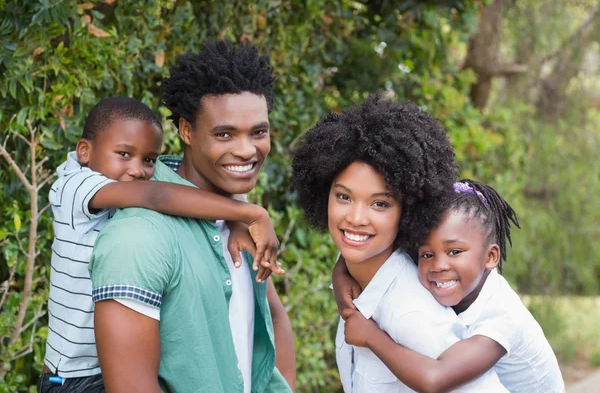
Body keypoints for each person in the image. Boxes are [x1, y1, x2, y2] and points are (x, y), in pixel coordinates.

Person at [89, 41, 295, 393]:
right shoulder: (139, 237)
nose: (247, 150)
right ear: (186, 131)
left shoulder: (241, 221)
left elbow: (272, 318)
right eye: (224, 134)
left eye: (258, 132)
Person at [38, 96, 284, 392]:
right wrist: (250, 213)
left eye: (149, 159)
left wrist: (232, 215)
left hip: (108, 365)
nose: (138, 169)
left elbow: (177, 190)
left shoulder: (122, 190)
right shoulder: (73, 186)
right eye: (124, 154)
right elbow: (157, 196)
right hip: (75, 378)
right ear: (85, 151)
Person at [292, 96, 507, 392]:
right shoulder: (359, 279)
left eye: (379, 204)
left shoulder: (410, 310)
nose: (355, 218)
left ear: (408, 212)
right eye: (344, 196)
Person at [338, 179, 564, 392]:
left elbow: (436, 379)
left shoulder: (501, 316)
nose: (438, 265)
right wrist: (340, 273)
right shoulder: (465, 283)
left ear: (491, 256)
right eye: (426, 254)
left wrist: (371, 337)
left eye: (454, 252)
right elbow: (377, 249)